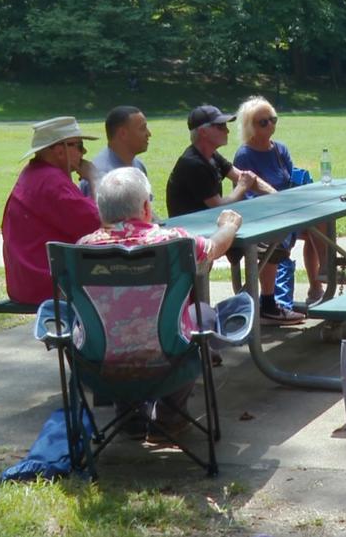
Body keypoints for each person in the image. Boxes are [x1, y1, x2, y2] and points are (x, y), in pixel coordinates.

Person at [78, 167, 242, 441]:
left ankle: (128, 416)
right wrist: (229, 226)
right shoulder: (173, 242)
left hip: (100, 365)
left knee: (115, 324)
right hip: (168, 361)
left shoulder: (83, 248)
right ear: (145, 206)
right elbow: (213, 248)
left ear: (102, 211)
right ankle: (170, 416)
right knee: (203, 314)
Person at [165, 104, 299, 323]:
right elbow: (219, 205)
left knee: (276, 241)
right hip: (194, 240)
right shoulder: (193, 164)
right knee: (269, 244)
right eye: (220, 126)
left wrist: (277, 196)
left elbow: (246, 177)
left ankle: (265, 305)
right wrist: (242, 187)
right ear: (203, 132)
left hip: (214, 230)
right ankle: (226, 314)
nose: (227, 130)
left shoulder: (212, 156)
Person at [233, 96, 328, 309]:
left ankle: (320, 279)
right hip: (263, 216)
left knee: (321, 223)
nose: (270, 125)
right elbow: (246, 195)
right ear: (250, 126)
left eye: (273, 119)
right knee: (281, 236)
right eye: (263, 122)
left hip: (288, 210)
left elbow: (290, 182)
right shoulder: (244, 154)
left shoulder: (280, 149)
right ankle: (268, 302)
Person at [1, 117, 101, 304]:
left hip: (25, 283)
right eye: (78, 146)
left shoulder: (34, 173)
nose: (84, 152)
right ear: (59, 150)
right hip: (49, 284)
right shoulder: (52, 182)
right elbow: (100, 224)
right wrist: (94, 179)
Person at [79, 105, 151, 197]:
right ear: (123, 134)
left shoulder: (138, 165)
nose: (149, 134)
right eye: (142, 128)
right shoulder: (102, 174)